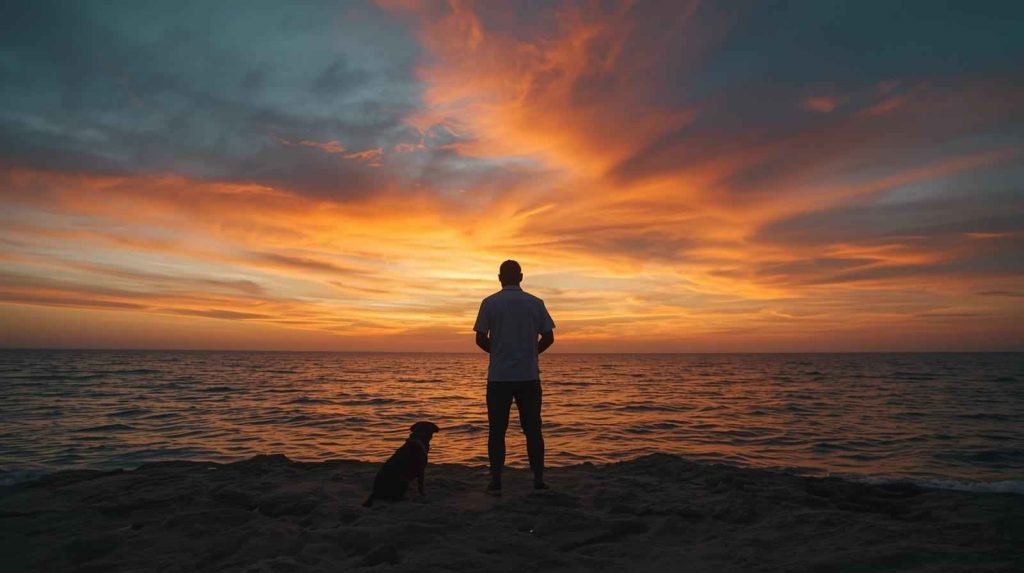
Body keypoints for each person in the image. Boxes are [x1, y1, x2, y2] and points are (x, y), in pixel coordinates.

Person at [473, 259, 555, 494]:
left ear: (500, 278)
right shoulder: (535, 303)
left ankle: (496, 480)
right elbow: (548, 337)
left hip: (499, 377)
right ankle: (538, 479)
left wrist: (499, 353)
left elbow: (480, 338)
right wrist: (530, 354)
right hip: (528, 376)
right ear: (521, 277)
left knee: (497, 430)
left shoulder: (489, 303)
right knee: (533, 429)